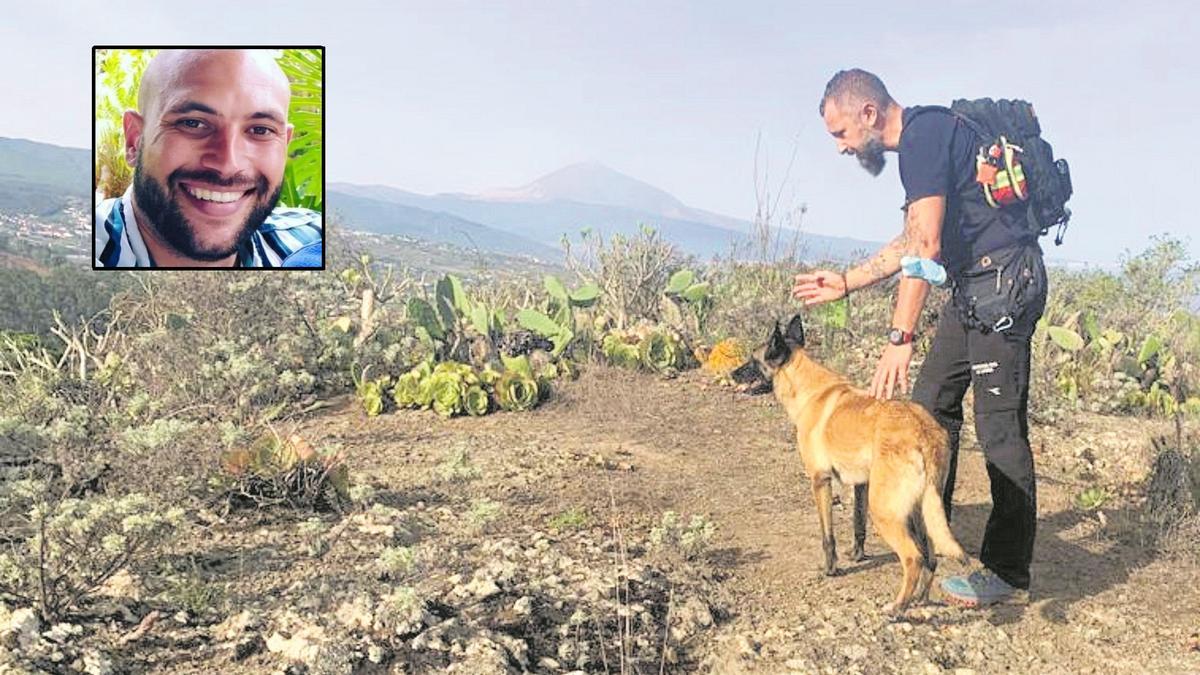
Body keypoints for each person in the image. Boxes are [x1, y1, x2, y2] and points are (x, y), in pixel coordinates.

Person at [792, 69, 1047, 607]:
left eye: (839, 134)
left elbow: (925, 245)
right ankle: (932, 538)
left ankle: (1008, 572)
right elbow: (912, 235)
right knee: (930, 407)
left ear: (868, 113)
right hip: (973, 289)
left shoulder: (923, 138)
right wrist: (846, 282)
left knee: (999, 430)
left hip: (1002, 287)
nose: (839, 148)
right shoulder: (926, 145)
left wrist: (900, 335)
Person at [95, 49, 322, 268]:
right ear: (134, 140)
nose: (228, 164)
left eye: (261, 130)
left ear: (284, 144)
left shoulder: (312, 241)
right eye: (192, 123)